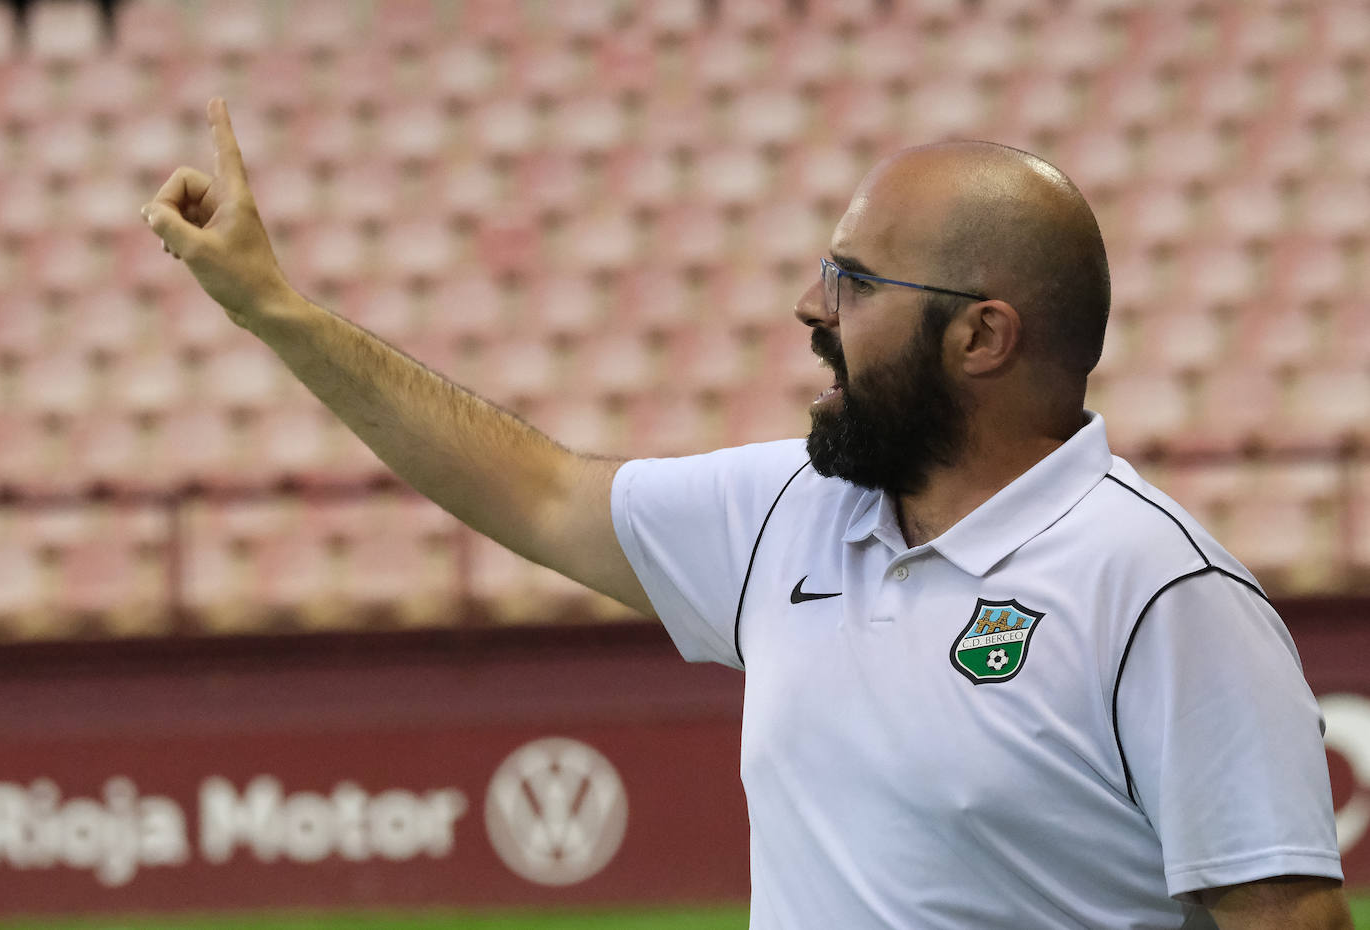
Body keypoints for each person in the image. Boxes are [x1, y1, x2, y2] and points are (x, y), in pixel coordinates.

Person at [143, 99, 1350, 929]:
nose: (807, 306)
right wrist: (275, 310)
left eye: (856, 283)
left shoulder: (1164, 593)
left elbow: (1285, 918)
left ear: (983, 336)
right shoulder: (791, 512)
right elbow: (539, 485)